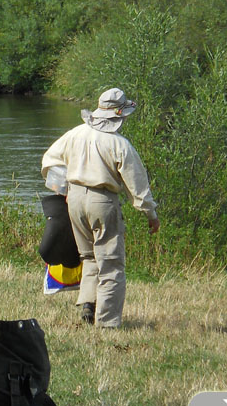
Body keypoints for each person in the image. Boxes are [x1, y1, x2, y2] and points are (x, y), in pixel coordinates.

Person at [41, 88, 161, 328]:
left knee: (88, 256)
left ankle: (88, 305)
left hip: (74, 199)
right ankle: (106, 323)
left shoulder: (75, 134)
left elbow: (49, 161)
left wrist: (65, 188)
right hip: (102, 201)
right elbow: (137, 185)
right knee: (111, 262)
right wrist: (150, 213)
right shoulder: (119, 144)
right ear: (119, 115)